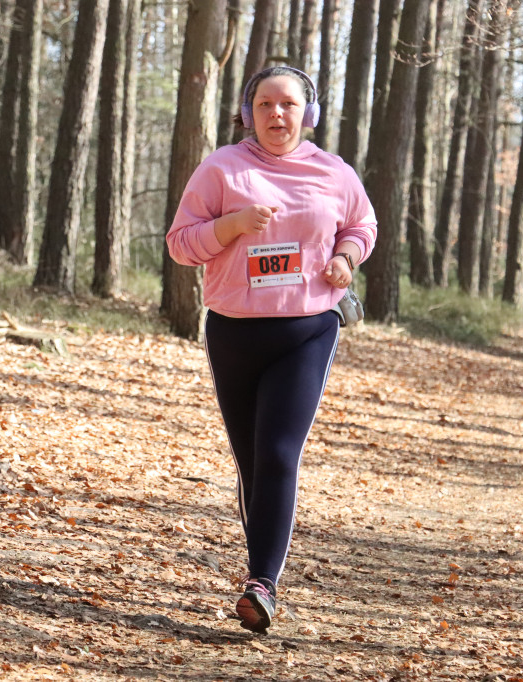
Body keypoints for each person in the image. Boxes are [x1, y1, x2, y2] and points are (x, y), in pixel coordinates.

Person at [166, 66, 377, 633]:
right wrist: (231, 225)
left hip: (307, 330)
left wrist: (346, 257)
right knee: (252, 461)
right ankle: (261, 569)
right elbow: (181, 245)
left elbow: (362, 225)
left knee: (280, 453)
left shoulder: (333, 172)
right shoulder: (221, 169)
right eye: (264, 104)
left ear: (308, 114)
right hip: (234, 332)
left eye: (288, 104)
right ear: (248, 112)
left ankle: (261, 584)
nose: (276, 114)